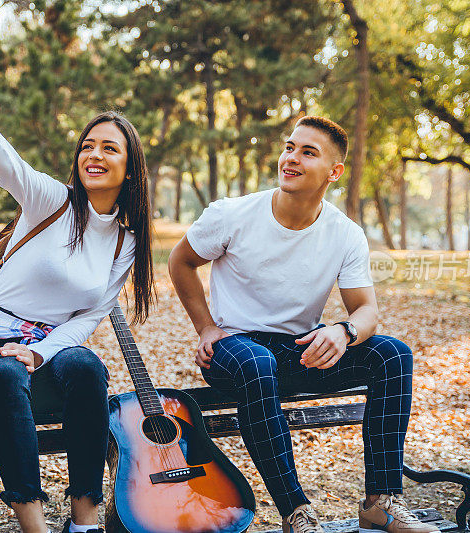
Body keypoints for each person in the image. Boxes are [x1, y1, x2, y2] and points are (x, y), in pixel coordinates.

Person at [0, 48, 154, 533]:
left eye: (109, 148)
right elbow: (2, 158)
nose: (94, 155)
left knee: (87, 366)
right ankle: (32, 521)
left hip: (47, 347)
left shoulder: (127, 241)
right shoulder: (50, 200)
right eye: (88, 145)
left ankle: (84, 518)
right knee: (3, 371)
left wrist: (39, 352)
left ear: (130, 167)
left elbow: (88, 318)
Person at [168, 115, 438, 533]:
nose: (290, 159)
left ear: (334, 172)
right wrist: (205, 327)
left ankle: (380, 502)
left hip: (297, 351)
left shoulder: (345, 234)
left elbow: (367, 309)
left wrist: (343, 331)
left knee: (393, 354)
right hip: (233, 351)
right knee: (257, 363)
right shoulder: (232, 215)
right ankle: (297, 512)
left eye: (307, 152)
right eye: (289, 147)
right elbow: (180, 261)